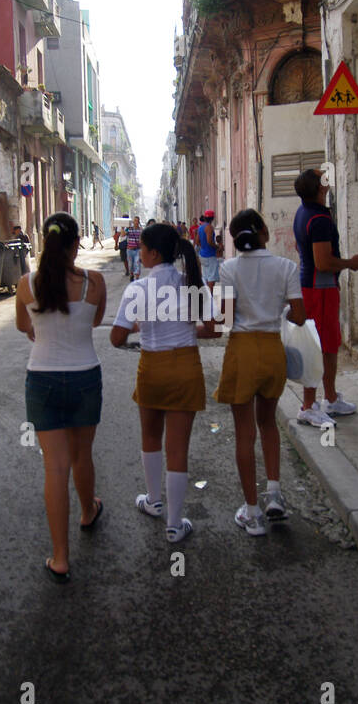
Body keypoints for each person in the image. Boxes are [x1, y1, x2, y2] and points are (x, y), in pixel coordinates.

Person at [14, 212, 108, 583]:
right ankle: (88, 511)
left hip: (42, 380)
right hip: (85, 375)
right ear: (76, 243)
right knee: (82, 454)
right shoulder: (95, 283)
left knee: (54, 466)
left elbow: (25, 326)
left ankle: (60, 558)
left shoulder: (27, 284)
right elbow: (95, 322)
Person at [111, 223, 216, 543]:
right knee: (178, 447)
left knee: (151, 437)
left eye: (141, 249)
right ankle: (174, 523)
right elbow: (211, 329)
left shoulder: (137, 289)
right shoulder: (192, 284)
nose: (138, 254)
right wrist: (185, 331)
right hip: (185, 368)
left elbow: (116, 338)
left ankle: (153, 501)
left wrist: (141, 326)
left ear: (154, 254)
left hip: (152, 369)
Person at [215, 209, 307, 535]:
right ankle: (275, 494)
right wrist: (276, 310)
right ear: (264, 232)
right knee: (268, 422)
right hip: (272, 351)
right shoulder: (286, 267)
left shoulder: (228, 269)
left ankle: (252, 512)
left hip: (242, 351)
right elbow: (299, 315)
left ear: (237, 239)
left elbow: (225, 322)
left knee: (244, 431)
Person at [293, 167, 358, 427]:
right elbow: (323, 262)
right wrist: (351, 263)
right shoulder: (319, 219)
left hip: (313, 288)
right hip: (320, 289)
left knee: (326, 346)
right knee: (320, 348)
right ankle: (309, 405)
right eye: (323, 177)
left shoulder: (303, 214)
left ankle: (330, 398)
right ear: (320, 188)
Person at [197, 209, 221, 292]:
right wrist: (217, 247)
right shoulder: (209, 227)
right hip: (210, 255)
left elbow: (197, 241)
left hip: (202, 254)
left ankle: (206, 296)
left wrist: (203, 247)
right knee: (211, 278)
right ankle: (210, 298)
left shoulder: (200, 227)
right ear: (212, 218)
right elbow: (210, 241)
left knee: (206, 277)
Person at [125, 216, 143, 281]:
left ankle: (137, 278)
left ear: (138, 222)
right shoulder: (129, 229)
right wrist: (122, 227)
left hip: (137, 250)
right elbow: (122, 234)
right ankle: (131, 274)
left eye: (137, 221)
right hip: (130, 250)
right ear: (133, 221)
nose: (136, 222)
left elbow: (142, 239)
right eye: (134, 220)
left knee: (137, 264)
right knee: (131, 264)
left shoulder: (141, 230)